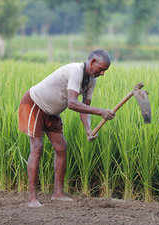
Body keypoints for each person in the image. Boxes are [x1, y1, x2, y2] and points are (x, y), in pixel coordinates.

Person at [17, 49, 115, 207]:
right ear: (92, 62)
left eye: (105, 70)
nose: (102, 73)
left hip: (52, 112)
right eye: (101, 69)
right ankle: (32, 198)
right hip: (34, 104)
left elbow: (84, 107)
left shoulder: (91, 81)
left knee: (61, 147)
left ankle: (58, 193)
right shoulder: (75, 71)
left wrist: (88, 129)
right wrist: (101, 112)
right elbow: (72, 103)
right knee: (37, 147)